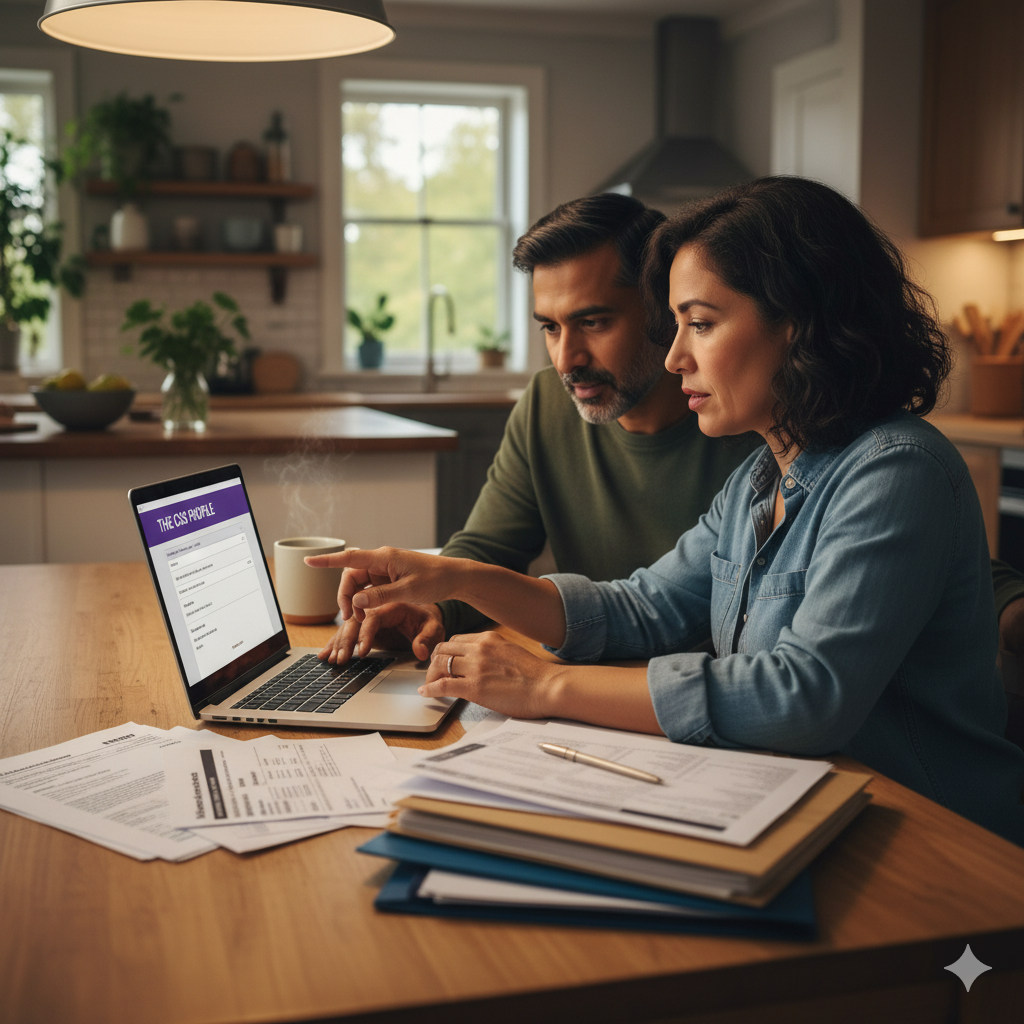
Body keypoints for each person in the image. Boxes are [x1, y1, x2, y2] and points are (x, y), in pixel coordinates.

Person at [310, 177, 1024, 844]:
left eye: (701, 324)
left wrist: (547, 684)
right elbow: (638, 609)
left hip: (936, 834)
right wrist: (452, 578)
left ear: (799, 325)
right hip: (814, 804)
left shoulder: (896, 468)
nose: (676, 354)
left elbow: (805, 696)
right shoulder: (758, 478)